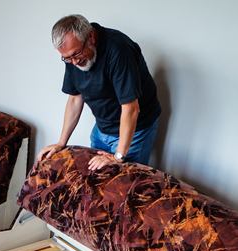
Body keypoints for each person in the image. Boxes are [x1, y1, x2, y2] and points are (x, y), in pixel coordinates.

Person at [37, 14, 162, 169]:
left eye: (76, 54)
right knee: (95, 177)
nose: (74, 62)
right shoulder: (73, 54)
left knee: (124, 180)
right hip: (102, 127)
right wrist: (61, 143)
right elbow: (75, 99)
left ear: (91, 37)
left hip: (135, 129)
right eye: (67, 58)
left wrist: (118, 156)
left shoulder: (119, 50)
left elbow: (131, 108)